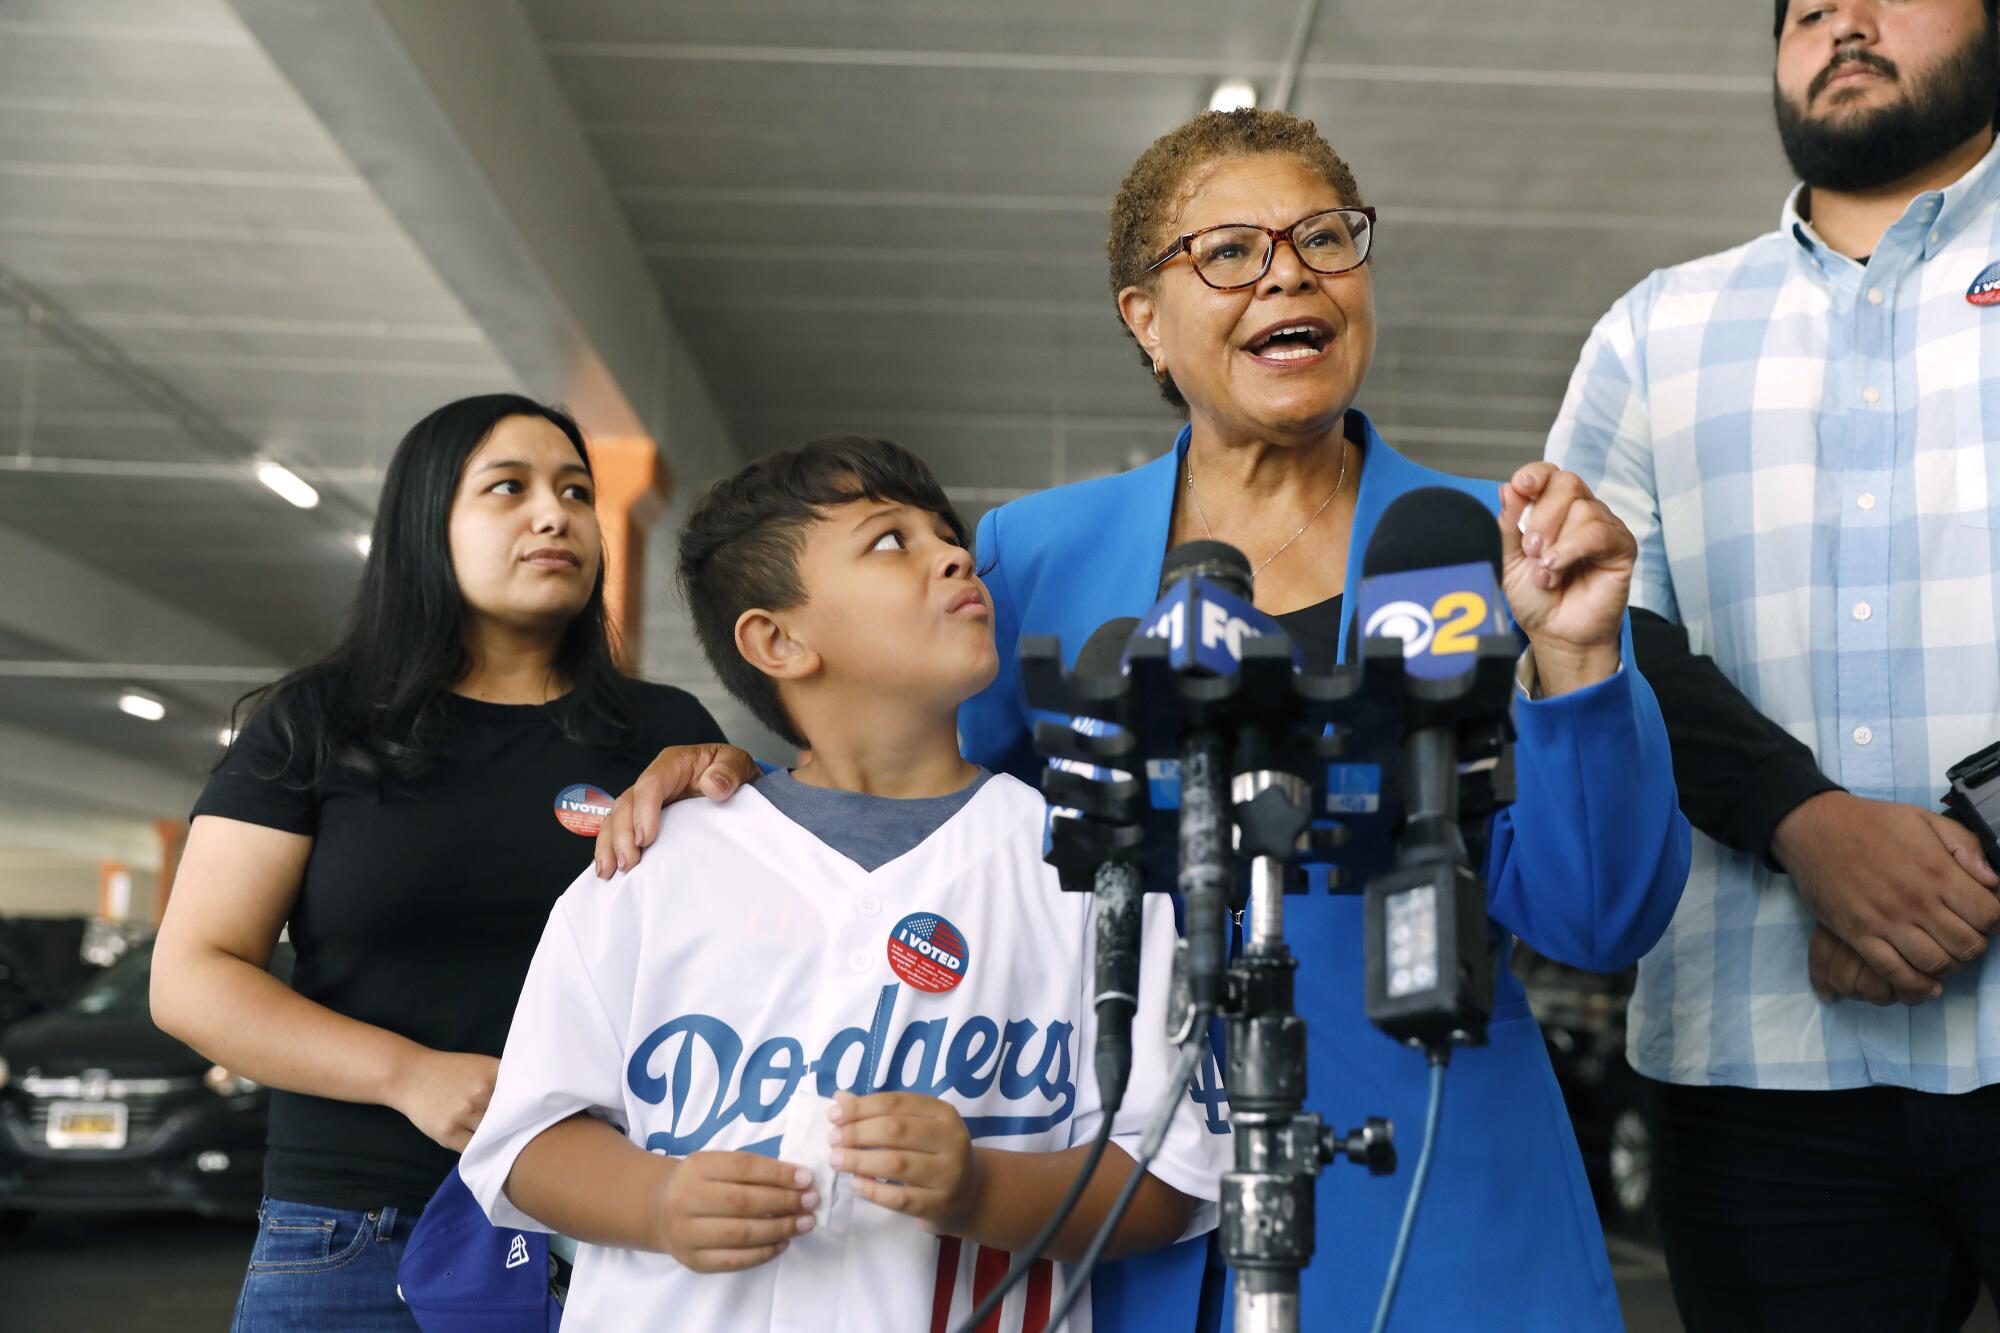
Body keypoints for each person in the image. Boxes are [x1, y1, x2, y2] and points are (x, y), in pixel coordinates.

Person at [593, 111, 1691, 1331]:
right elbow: (929, 814)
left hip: (1426, 1187)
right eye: (1227, 250)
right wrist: (751, 776)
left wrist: (1578, 653)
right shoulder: (1034, 555)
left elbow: (1595, 919)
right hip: (1132, 1218)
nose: (1287, 271)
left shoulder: (1491, 545)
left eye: (1323, 238)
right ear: (1144, 321)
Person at [454, 436, 1225, 1331]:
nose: (954, 553)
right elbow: (525, 1142)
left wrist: (981, 1186)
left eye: (948, 533)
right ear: (778, 639)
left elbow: (1169, 1177)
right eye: (890, 541)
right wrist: (657, 1201)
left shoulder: (1093, 865)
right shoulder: (654, 860)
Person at [1548, 2, 2000, 1327]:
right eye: (1806, 8)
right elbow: (1594, 623)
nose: (1841, 20)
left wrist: (1947, 877)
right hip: (1755, 1062)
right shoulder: (1656, 330)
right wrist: (1810, 831)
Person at [148, 394, 742, 1331]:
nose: (555, 514)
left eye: (577, 492)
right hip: (357, 1231)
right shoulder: (316, 725)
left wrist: (735, 783)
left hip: (603, 1232)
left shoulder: (663, 733)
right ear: (426, 525)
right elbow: (191, 978)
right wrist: (408, 1073)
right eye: (508, 488)